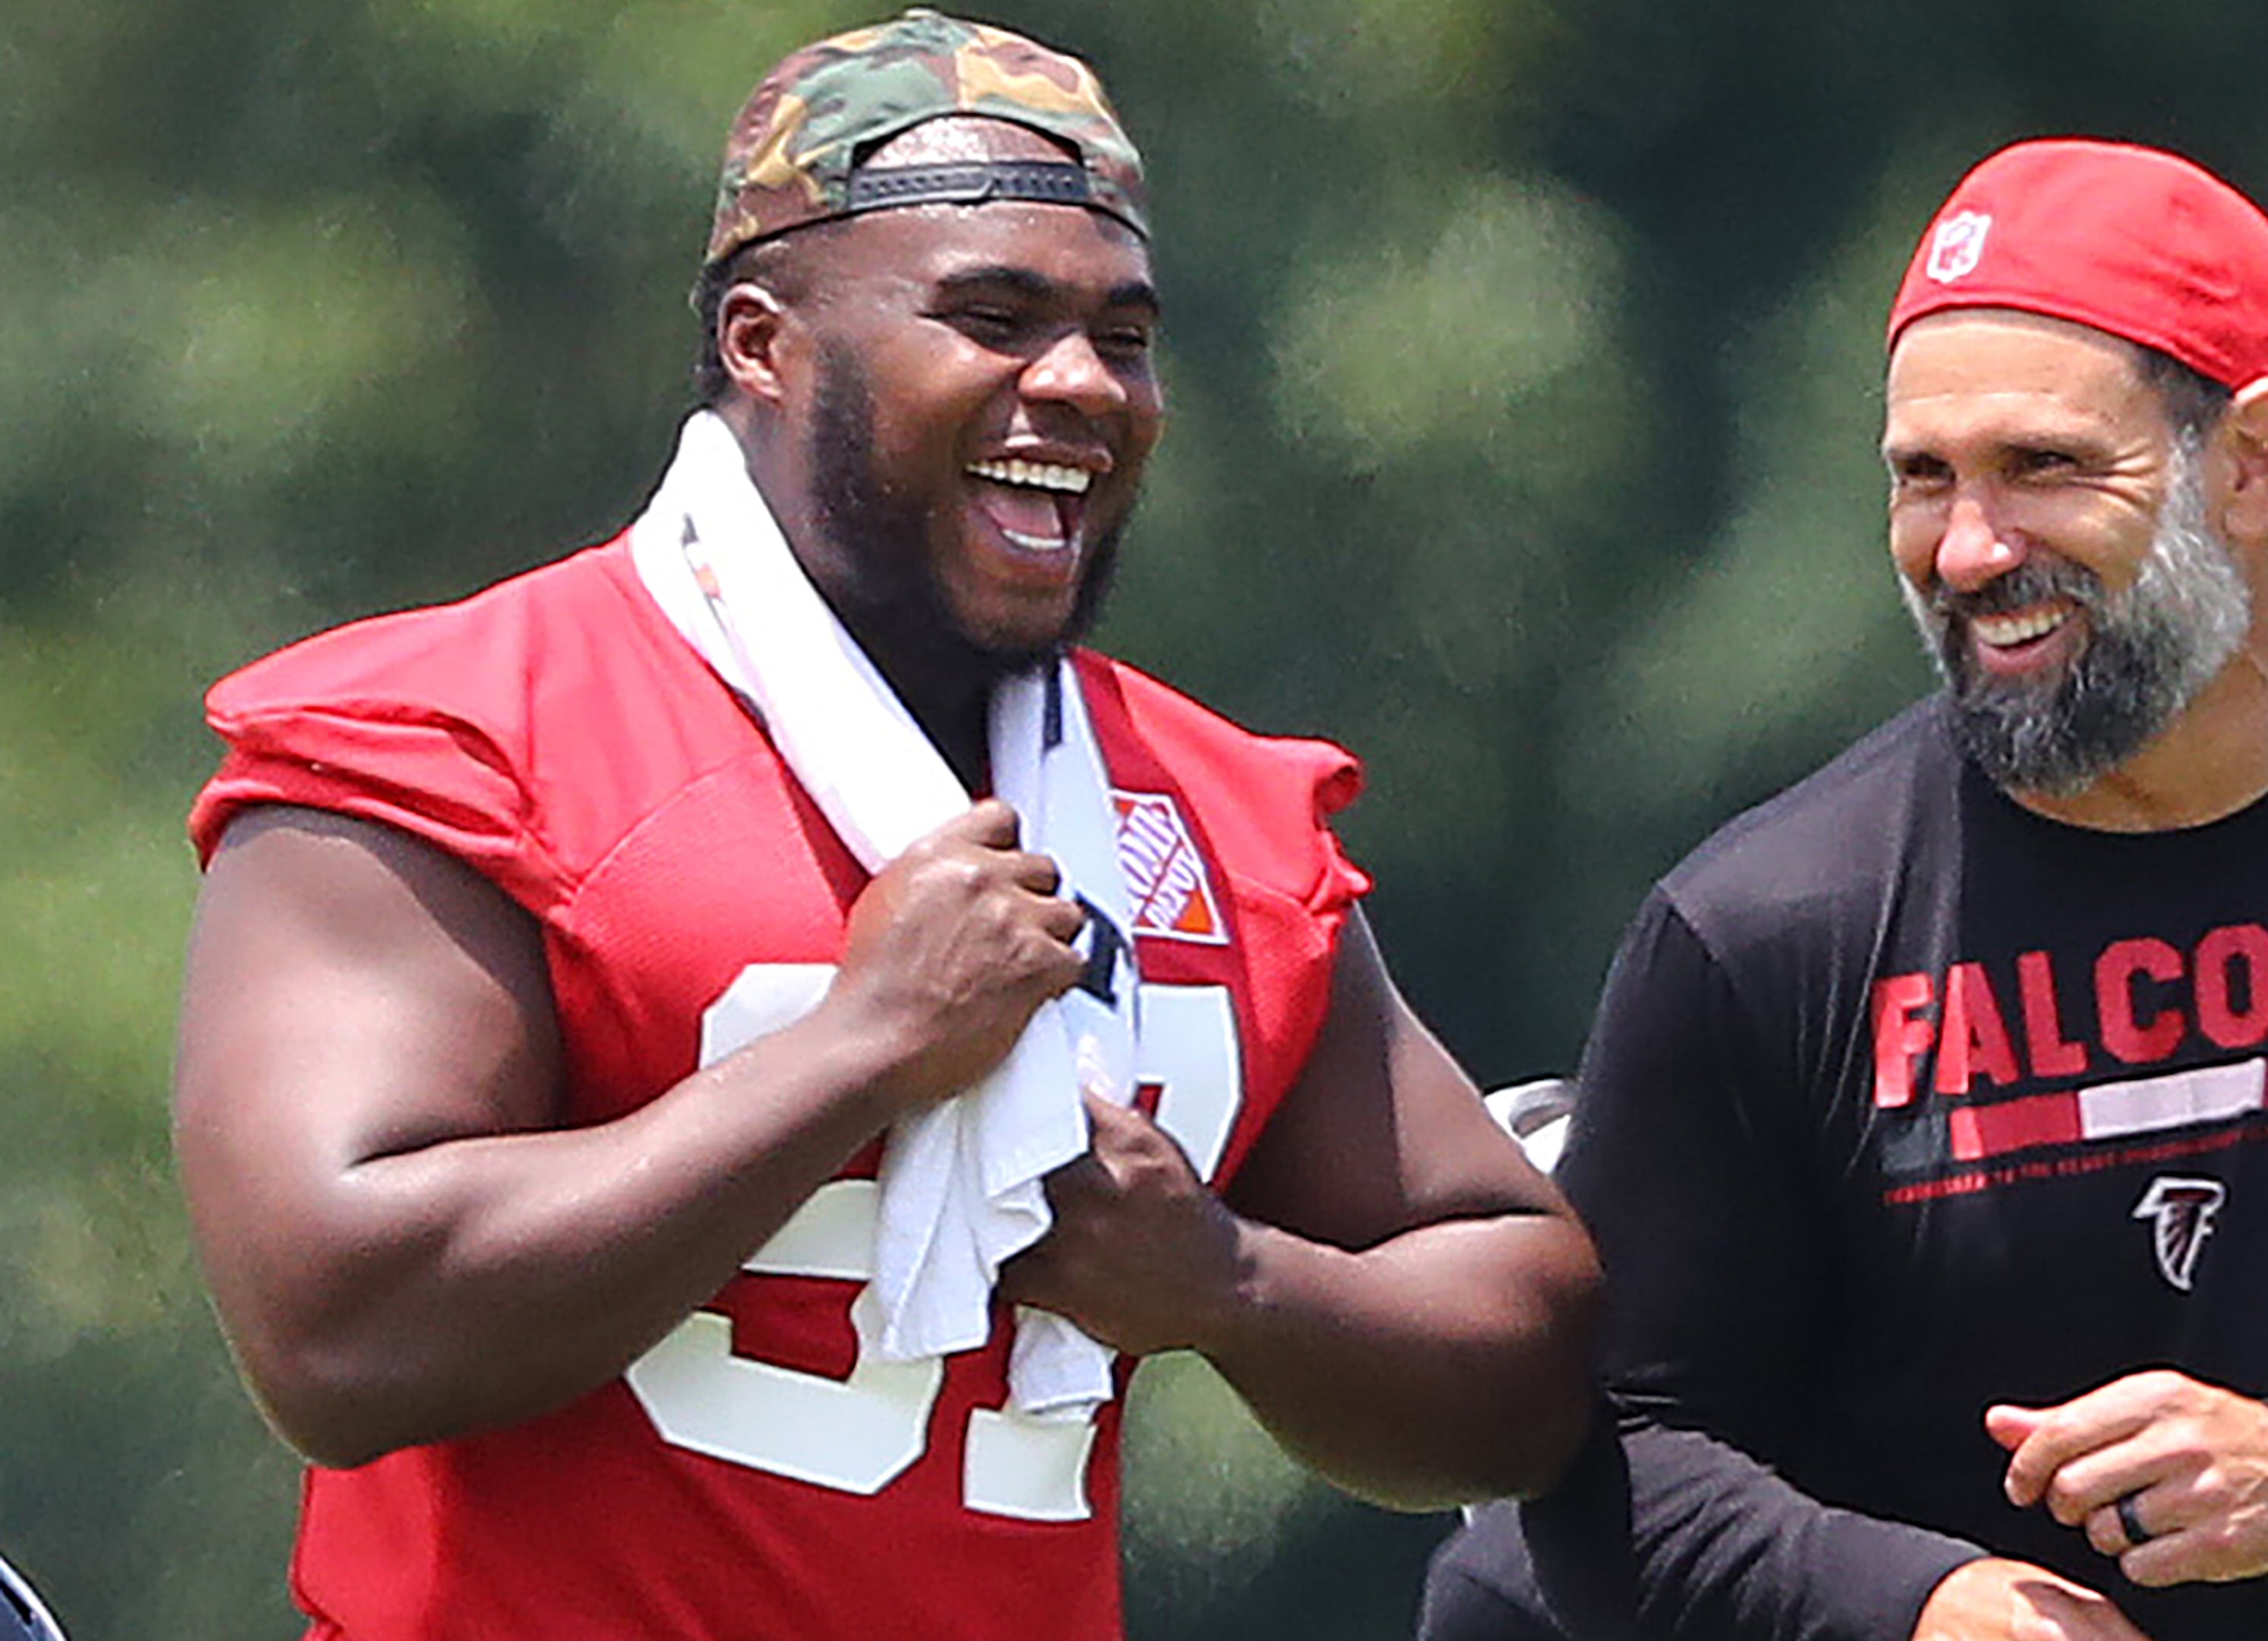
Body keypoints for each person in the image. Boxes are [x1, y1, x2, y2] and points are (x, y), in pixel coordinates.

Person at [170, 14, 1598, 1640]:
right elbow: (336, 1333)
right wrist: (859, 1047)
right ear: (766, 343)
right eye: (991, 317)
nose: (1076, 385)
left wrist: (1229, 1284)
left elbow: (1537, 1359)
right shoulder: (460, 734)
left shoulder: (1211, 816)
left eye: (1122, 337)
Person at [1420, 138, 2268, 1641]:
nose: (1973, 548)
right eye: (1923, 479)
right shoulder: (1761, 930)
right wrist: (1917, 1606)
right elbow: (1603, 1471)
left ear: (2251, 462)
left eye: (2047, 469)